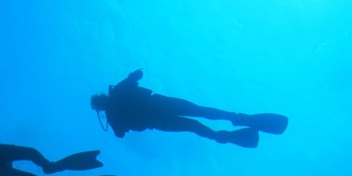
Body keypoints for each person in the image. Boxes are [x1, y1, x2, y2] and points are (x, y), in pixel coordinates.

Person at [90, 68, 288, 146]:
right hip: (160, 109)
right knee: (199, 114)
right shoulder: (117, 95)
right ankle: (236, 121)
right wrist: (133, 76)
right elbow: (135, 77)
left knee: (197, 118)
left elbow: (120, 134)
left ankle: (228, 130)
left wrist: (133, 76)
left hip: (159, 114)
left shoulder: (114, 110)